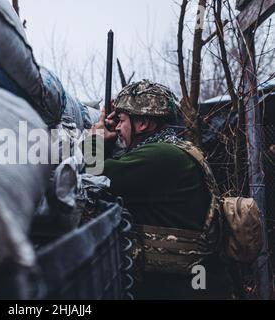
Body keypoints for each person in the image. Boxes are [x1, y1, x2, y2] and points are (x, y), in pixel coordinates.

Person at [90, 79, 234, 299]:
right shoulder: (175, 150)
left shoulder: (160, 156)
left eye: (121, 120)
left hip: (183, 290)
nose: (117, 128)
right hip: (195, 284)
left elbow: (91, 177)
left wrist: (96, 140)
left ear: (143, 124)